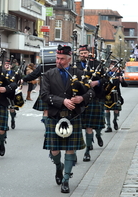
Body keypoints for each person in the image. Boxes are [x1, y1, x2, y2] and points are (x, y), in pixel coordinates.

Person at [41, 45, 94, 193]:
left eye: (62, 59)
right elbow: (44, 95)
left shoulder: (79, 73)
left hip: (73, 116)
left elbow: (91, 92)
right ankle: (59, 166)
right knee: (54, 150)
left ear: (69, 59)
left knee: (70, 149)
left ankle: (66, 179)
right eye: (57, 58)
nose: (59, 61)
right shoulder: (49, 74)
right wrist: (62, 101)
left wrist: (80, 98)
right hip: (54, 116)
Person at [76, 45, 107, 162]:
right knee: (81, 126)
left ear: (89, 53)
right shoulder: (76, 66)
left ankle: (94, 140)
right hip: (80, 98)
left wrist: (97, 82)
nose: (83, 55)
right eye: (81, 54)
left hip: (95, 98)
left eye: (85, 53)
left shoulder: (97, 64)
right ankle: (86, 149)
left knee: (93, 125)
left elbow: (105, 79)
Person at [104, 60, 128, 132]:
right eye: (111, 66)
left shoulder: (118, 75)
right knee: (107, 110)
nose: (113, 68)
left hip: (116, 95)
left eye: (114, 66)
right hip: (107, 95)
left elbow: (125, 85)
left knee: (116, 110)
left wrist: (122, 80)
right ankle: (108, 126)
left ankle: (115, 120)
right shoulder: (106, 74)